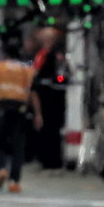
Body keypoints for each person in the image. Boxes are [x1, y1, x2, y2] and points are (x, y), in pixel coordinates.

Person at [0, 37, 33, 193]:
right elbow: (33, 92)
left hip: (1, 108)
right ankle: (14, 181)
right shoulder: (26, 69)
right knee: (18, 146)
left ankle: (1, 169)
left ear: (4, 53)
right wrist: (38, 114)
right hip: (20, 109)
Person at [29, 25, 67, 170]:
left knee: (52, 128)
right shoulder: (40, 54)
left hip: (52, 98)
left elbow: (61, 76)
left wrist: (56, 80)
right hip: (41, 95)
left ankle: (52, 161)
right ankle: (43, 158)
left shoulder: (55, 55)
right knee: (42, 127)